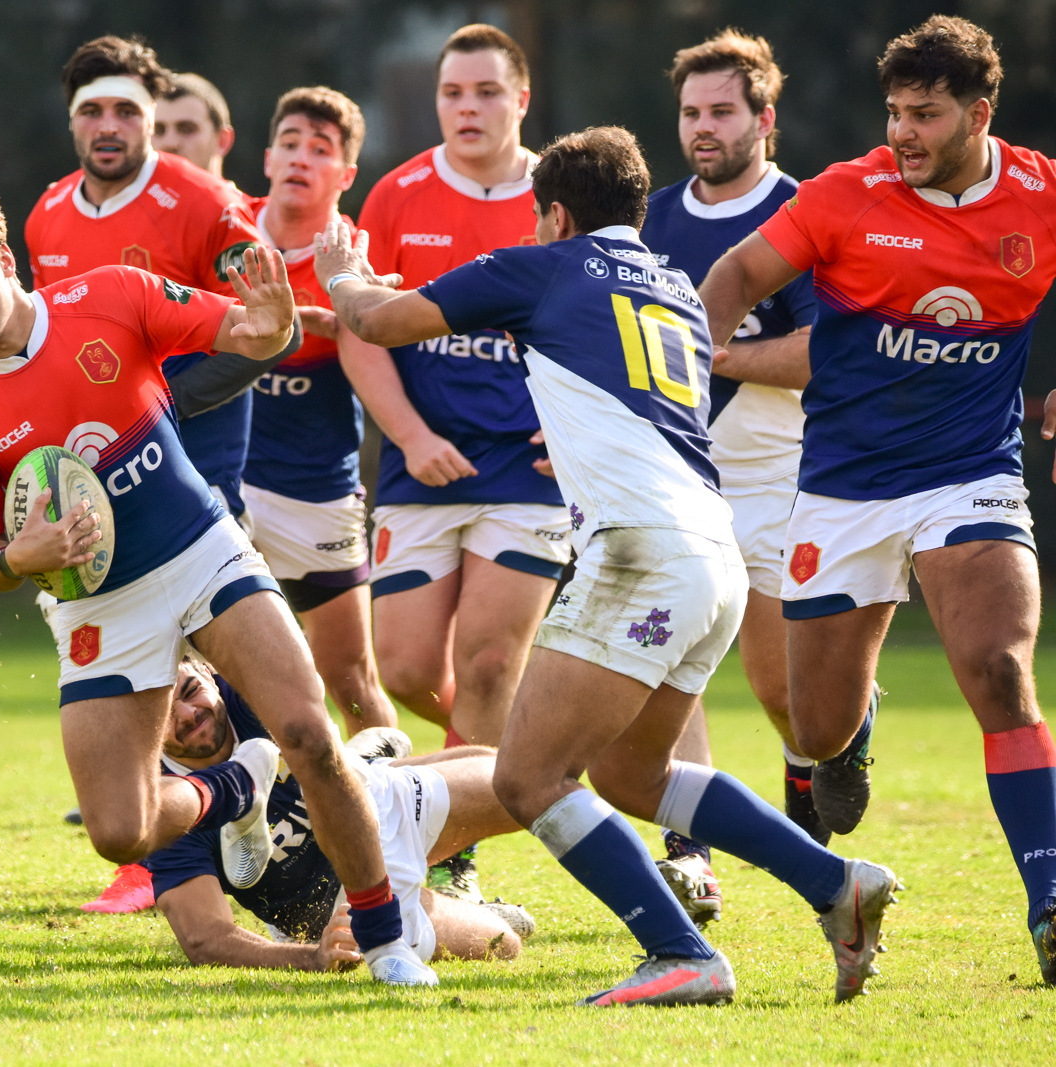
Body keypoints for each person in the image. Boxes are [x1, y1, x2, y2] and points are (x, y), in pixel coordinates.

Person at [318, 126, 898, 1006]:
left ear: (553, 213)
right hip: (714, 550)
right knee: (635, 777)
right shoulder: (669, 284)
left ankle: (683, 951)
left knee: (525, 776)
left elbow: (377, 321)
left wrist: (340, 272)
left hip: (641, 551)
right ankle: (834, 882)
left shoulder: (545, 265)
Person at [0, 177, 435, 986]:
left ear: (4, 258)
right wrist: (22, 553)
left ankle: (388, 942)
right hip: (100, 602)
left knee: (310, 732)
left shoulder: (109, 293)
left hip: (199, 546)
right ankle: (234, 788)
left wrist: (272, 323)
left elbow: (246, 332)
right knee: (119, 830)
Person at [699, 15, 1056, 985]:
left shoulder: (1038, 192)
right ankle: (848, 732)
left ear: (979, 113)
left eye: (925, 114)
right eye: (894, 111)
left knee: (996, 668)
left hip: (970, 473)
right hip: (843, 488)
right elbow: (734, 275)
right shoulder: (843, 195)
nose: (902, 131)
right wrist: (684, 377)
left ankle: (1050, 898)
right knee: (811, 733)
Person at [344, 21, 571, 903]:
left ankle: (456, 862)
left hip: (529, 472)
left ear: (521, 99)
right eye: (452, 93)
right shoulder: (397, 196)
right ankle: (519, 761)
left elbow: (604, 315)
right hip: (421, 465)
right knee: (401, 668)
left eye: (485, 92)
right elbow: (364, 331)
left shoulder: (561, 195)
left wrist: (577, 433)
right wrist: (408, 436)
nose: (467, 108)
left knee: (484, 662)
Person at [635, 30, 823, 925]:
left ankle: (814, 774)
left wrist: (716, 353)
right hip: (674, 473)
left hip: (783, 471)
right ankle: (691, 853)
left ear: (764, 119)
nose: (703, 128)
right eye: (690, 113)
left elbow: (827, 354)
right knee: (675, 659)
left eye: (721, 112)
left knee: (785, 689)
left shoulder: (806, 211)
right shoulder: (654, 217)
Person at [145, 658, 534, 971]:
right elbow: (205, 937)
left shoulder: (249, 687)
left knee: (517, 783)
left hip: (375, 802)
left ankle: (361, 764)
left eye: (190, 692)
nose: (187, 715)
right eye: (162, 714)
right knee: (504, 942)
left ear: (207, 673)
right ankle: (364, 762)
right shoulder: (164, 802)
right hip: (337, 907)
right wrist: (313, 955)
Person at [25, 38, 267, 529]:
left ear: (151, 119)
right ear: (71, 120)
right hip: (92, 482)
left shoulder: (207, 202)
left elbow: (274, 333)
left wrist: (158, 407)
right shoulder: (45, 214)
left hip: (197, 475)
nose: (109, 126)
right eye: (91, 110)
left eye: (127, 111)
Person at [241, 87, 399, 738]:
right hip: (225, 483)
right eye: (290, 143)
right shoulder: (224, 232)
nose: (302, 158)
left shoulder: (354, 260)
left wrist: (350, 316)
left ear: (346, 175)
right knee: (206, 664)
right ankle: (205, 818)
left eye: (321, 149)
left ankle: (396, 815)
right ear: (268, 158)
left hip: (316, 490)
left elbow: (393, 346)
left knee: (353, 683)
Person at [153, 73, 237, 182]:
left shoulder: (241, 200)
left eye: (186, 130)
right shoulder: (126, 198)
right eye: (158, 130)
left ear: (223, 140)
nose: (170, 143)